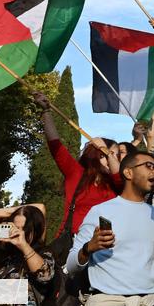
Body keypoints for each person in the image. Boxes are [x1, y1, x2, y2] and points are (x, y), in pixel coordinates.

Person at [67, 150, 154, 306]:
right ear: (128, 172)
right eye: (149, 166)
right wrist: (88, 248)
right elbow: (70, 265)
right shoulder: (100, 211)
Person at [34, 92, 123, 237]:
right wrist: (46, 111)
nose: (111, 159)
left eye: (115, 156)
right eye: (105, 155)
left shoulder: (117, 185)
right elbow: (55, 145)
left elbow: (119, 175)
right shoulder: (76, 173)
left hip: (105, 247)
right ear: (94, 156)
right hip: (73, 243)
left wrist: (106, 151)